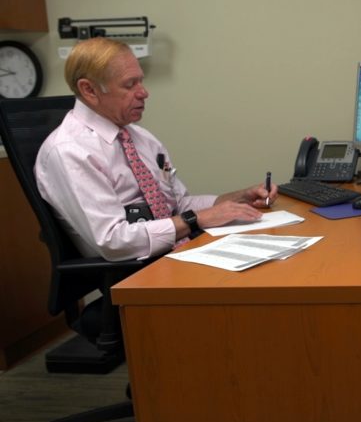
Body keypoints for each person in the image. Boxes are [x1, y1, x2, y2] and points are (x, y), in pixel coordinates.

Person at [35, 37, 277, 262]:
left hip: (179, 254)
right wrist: (196, 219)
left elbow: (177, 204)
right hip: (134, 273)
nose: (144, 93)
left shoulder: (141, 138)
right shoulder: (70, 152)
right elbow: (113, 241)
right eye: (130, 85)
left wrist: (238, 198)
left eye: (141, 81)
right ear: (89, 90)